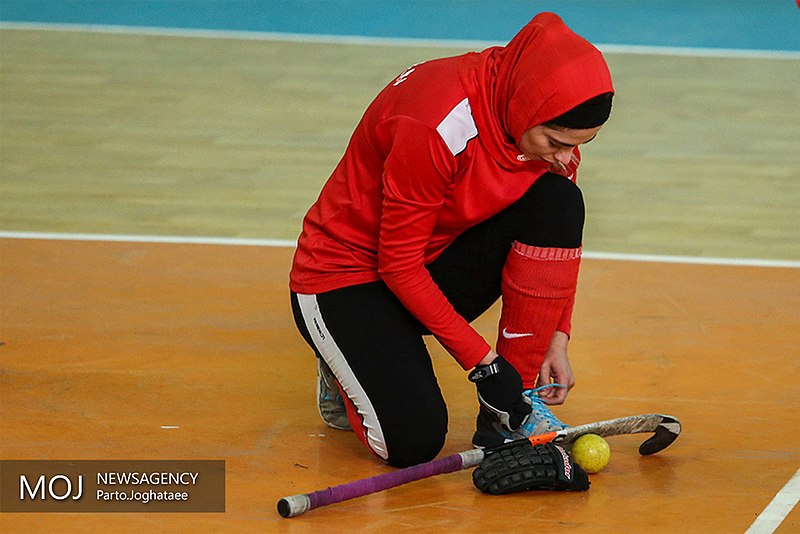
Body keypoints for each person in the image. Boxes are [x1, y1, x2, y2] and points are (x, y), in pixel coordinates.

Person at [289, 12, 614, 468]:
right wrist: (484, 364)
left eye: (581, 144)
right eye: (556, 141)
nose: (566, 155)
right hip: (346, 275)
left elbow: (557, 247)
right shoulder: (435, 123)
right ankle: (341, 363)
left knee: (559, 200)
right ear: (526, 105)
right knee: (412, 445)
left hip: (433, 260)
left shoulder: (543, 127)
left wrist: (556, 337)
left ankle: (509, 412)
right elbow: (396, 264)